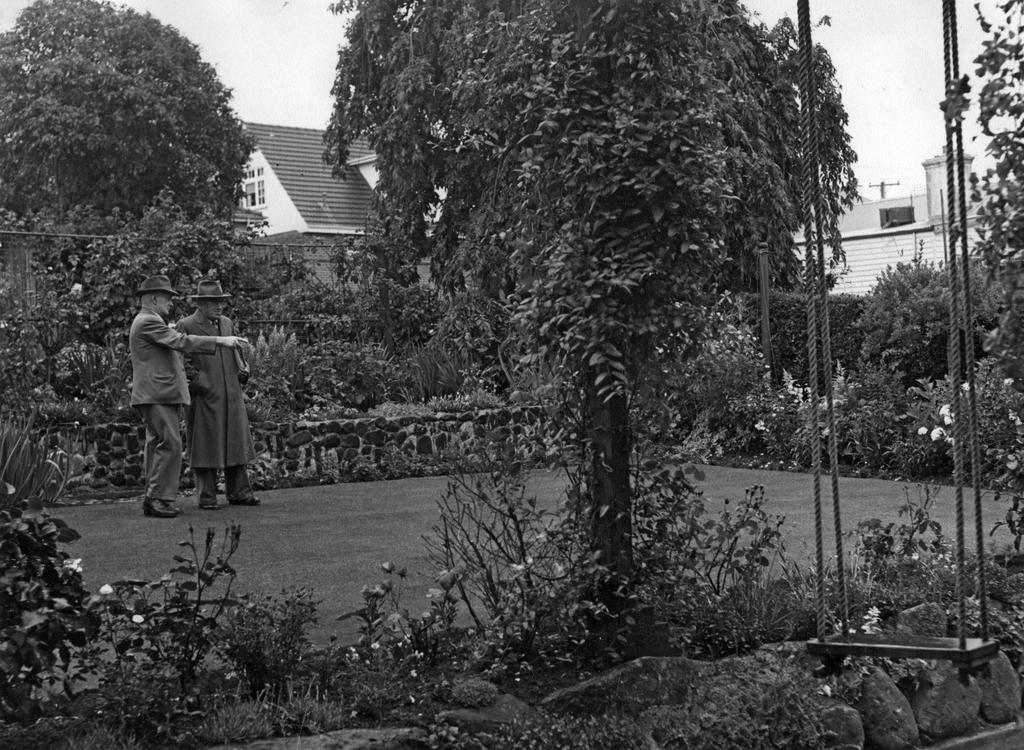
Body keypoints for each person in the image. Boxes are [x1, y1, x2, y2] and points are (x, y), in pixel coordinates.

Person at [129, 275, 249, 518]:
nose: (171, 303)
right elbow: (181, 342)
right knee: (170, 444)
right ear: (153, 298)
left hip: (158, 393)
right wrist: (220, 341)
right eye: (167, 298)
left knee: (158, 444)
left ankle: (154, 498)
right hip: (157, 394)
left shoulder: (150, 320)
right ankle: (160, 500)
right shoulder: (148, 321)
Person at [176, 278, 259, 510]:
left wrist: (242, 370)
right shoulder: (186, 325)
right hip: (205, 397)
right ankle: (207, 497)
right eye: (214, 301)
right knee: (205, 446)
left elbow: (234, 352)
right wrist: (201, 383)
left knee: (235, 443)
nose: (219, 306)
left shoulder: (227, 323)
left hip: (231, 394)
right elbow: (181, 361)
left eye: (221, 301)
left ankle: (240, 493)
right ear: (201, 303)